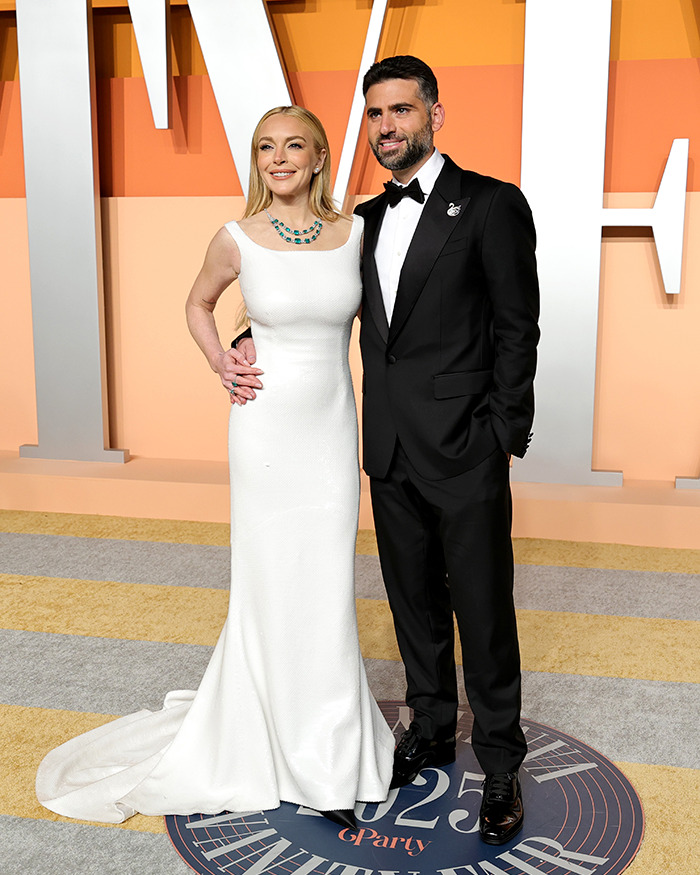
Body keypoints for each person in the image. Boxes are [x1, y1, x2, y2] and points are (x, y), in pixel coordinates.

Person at [35, 106, 394, 829]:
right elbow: (198, 304)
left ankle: (326, 751)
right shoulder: (236, 238)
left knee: (325, 582)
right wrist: (223, 358)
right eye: (266, 147)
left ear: (320, 157)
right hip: (263, 433)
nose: (279, 158)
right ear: (257, 161)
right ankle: (270, 742)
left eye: (294, 146)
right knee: (268, 581)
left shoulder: (356, 233)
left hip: (329, 434)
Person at [233, 57, 540, 846]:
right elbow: (315, 300)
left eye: (402, 110)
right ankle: (431, 725)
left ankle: (501, 760)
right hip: (385, 444)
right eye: (375, 115)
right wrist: (246, 339)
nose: (388, 126)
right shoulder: (361, 219)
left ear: (436, 112)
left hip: (466, 445)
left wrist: (503, 433)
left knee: (481, 603)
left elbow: (517, 326)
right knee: (411, 600)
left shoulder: (492, 205)